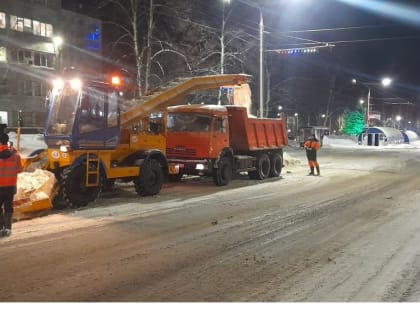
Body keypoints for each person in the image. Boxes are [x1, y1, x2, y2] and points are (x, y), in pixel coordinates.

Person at [0, 133, 23, 237]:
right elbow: (20, 170)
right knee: (9, 207)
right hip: (10, 187)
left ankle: (0, 228)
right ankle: (8, 229)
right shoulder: (16, 155)